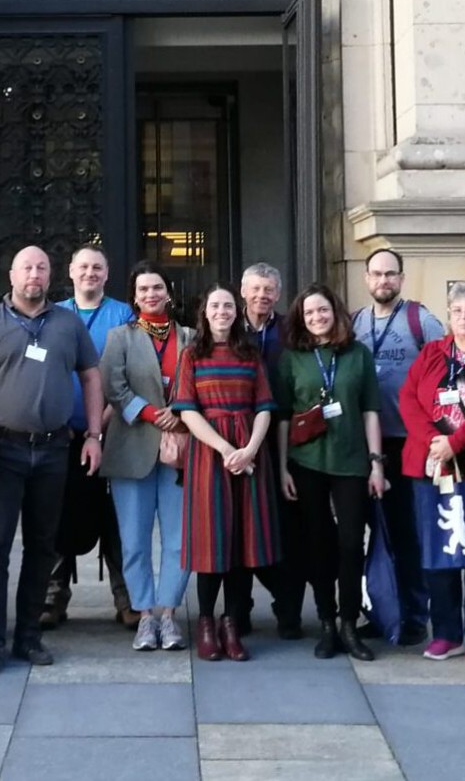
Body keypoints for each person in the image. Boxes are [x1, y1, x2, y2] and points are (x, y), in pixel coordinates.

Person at [0, 245, 105, 674]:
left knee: (44, 544)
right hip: (2, 450)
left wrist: (94, 434)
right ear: (11, 274)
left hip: (55, 448)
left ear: (50, 275)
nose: (34, 275)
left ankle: (28, 634)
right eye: (27, 267)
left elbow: (91, 377)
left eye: (41, 267)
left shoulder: (67, 323)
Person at [275, 282, 385, 661]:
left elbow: (371, 409)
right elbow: (284, 418)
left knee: (351, 544)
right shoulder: (292, 359)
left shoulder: (358, 355)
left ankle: (350, 624)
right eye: (308, 314)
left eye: (322, 311)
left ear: (335, 312)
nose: (316, 318)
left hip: (352, 462)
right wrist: (281, 468)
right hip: (306, 463)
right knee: (318, 545)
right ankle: (326, 621)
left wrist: (376, 463)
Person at [171, 283, 279, 662]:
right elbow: (187, 410)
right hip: (210, 456)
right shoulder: (192, 355)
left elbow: (265, 406)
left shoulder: (250, 353)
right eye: (215, 305)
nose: (222, 311)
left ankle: (232, 623)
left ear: (237, 311)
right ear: (205, 311)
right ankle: (205, 622)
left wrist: (249, 448)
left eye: (228, 305)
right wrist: (226, 449)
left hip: (249, 455)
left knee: (242, 544)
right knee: (211, 542)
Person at [397, 282, 465, 665]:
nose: (464, 318)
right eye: (457, 311)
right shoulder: (432, 353)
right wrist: (433, 442)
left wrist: (455, 442)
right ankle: (445, 633)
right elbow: (408, 400)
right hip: (431, 467)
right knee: (438, 553)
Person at [351, 248, 445, 646]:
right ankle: (380, 609)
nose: (383, 281)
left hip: (410, 444)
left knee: (409, 533)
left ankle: (414, 616)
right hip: (365, 444)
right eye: (376, 274)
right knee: (374, 534)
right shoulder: (354, 322)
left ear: (401, 279)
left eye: (391, 274)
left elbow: (447, 375)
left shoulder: (421, 321)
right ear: (367, 278)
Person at [100, 262, 194, 652]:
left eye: (157, 287)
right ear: (134, 297)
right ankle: (144, 615)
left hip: (180, 449)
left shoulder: (190, 336)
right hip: (132, 446)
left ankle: (169, 614)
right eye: (143, 289)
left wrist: (182, 417)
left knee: (178, 539)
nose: (151, 294)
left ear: (168, 293)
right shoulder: (120, 336)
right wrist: (155, 414)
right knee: (134, 539)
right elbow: (113, 385)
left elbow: (199, 383)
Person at [43, 245, 137, 630]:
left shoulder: (123, 314)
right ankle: (53, 595)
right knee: (58, 514)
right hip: (63, 433)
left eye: (97, 266)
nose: (90, 273)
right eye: (83, 266)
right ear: (70, 271)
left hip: (114, 431)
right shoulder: (54, 315)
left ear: (107, 273)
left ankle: (126, 596)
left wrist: (103, 421)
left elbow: (130, 371)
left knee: (117, 517)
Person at [238, 262, 303, 639]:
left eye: (269, 290)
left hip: (284, 439)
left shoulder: (291, 331)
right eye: (255, 289)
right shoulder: (227, 327)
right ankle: (240, 611)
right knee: (241, 528)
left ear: (278, 295)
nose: (262, 296)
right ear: (243, 291)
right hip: (238, 440)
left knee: (286, 532)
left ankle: (288, 610)